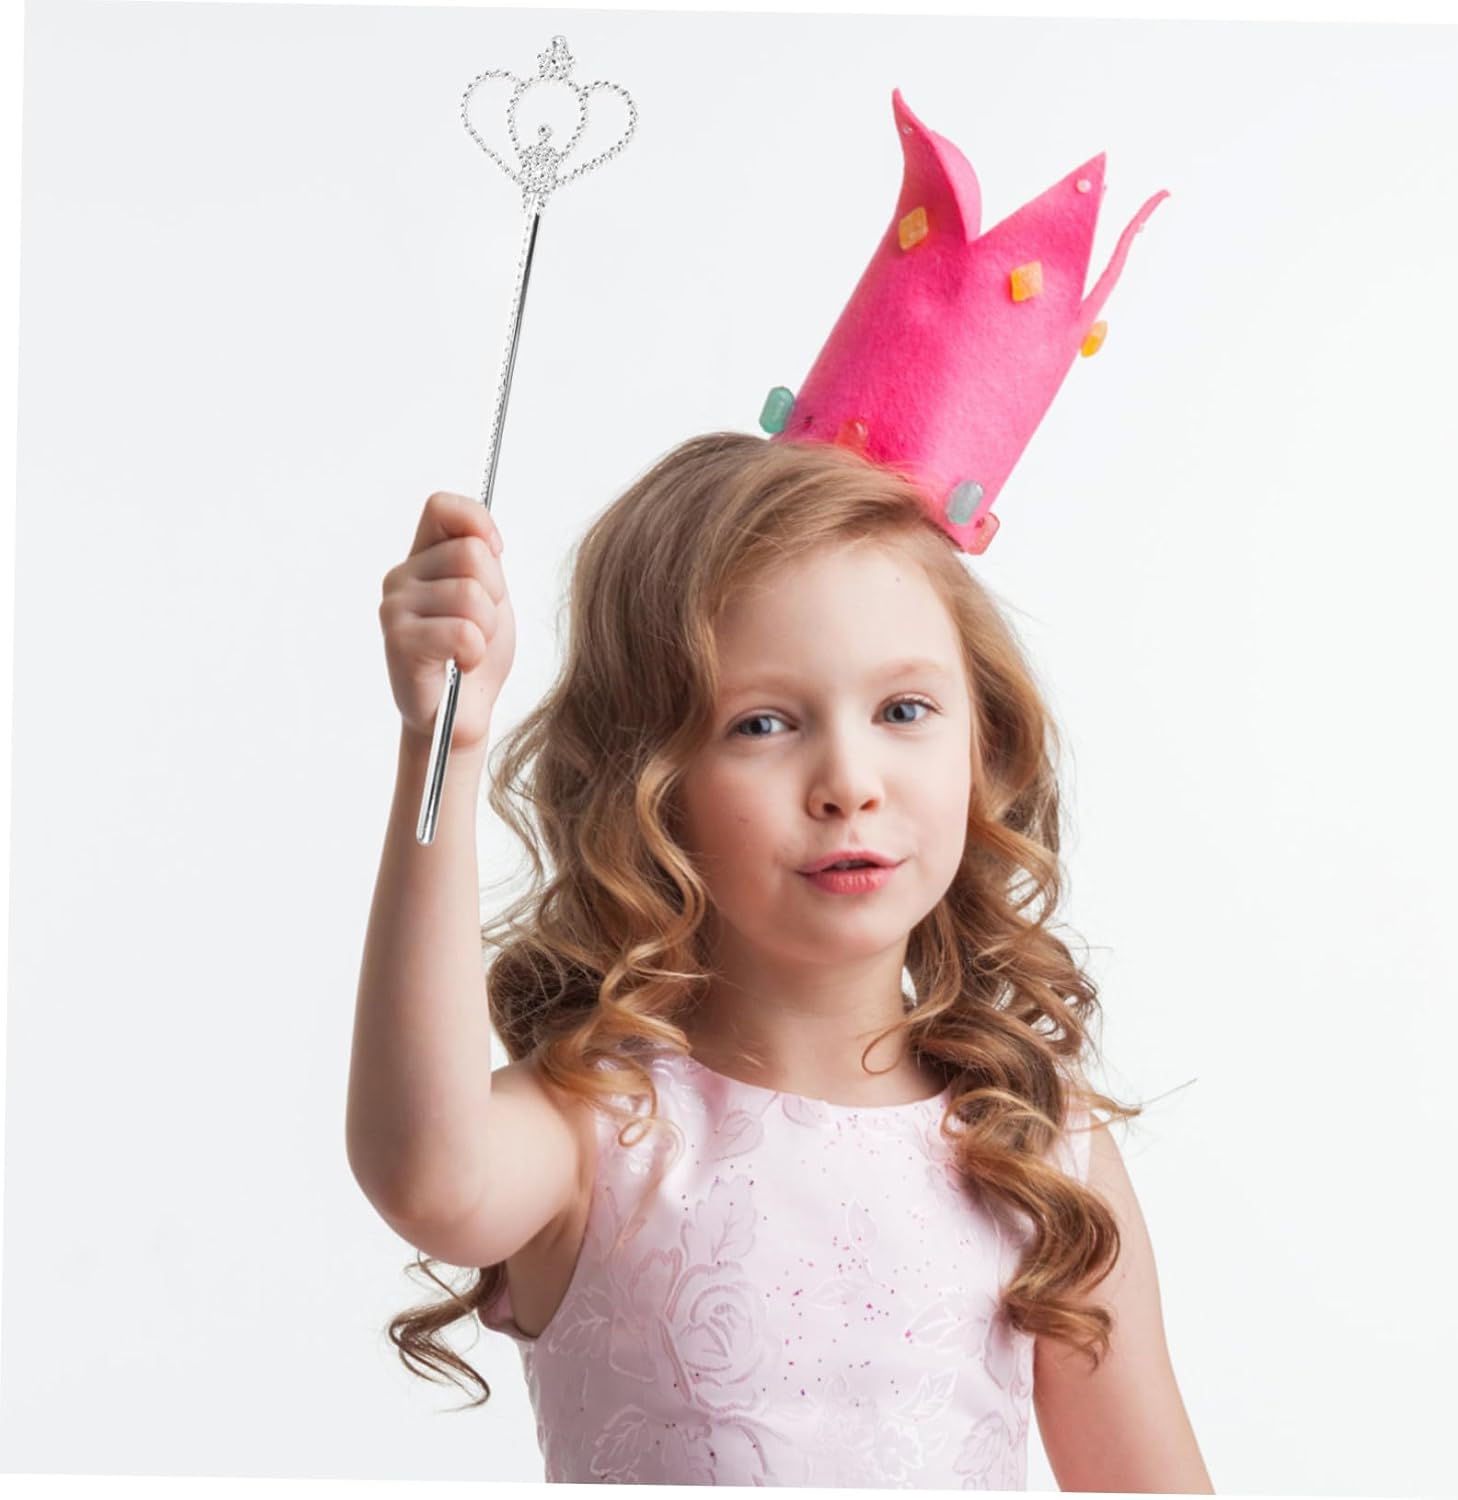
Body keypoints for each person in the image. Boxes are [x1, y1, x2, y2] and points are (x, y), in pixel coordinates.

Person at [348, 90, 1211, 1490]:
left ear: (984, 743)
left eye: (905, 711)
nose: (849, 782)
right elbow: (426, 1170)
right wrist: (438, 747)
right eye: (762, 724)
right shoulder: (596, 1133)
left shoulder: (1040, 1152)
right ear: (649, 782)